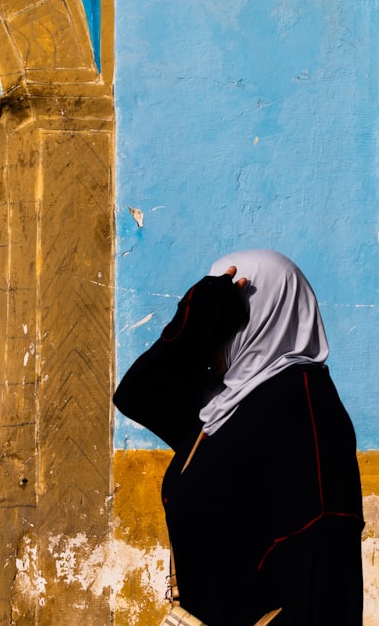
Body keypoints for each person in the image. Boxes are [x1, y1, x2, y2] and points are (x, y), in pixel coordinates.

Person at [114, 249, 364, 625]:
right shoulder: (224, 405)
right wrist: (192, 318)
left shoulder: (302, 405)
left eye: (231, 315)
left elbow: (323, 568)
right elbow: (136, 395)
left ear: (265, 314)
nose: (218, 331)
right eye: (218, 315)